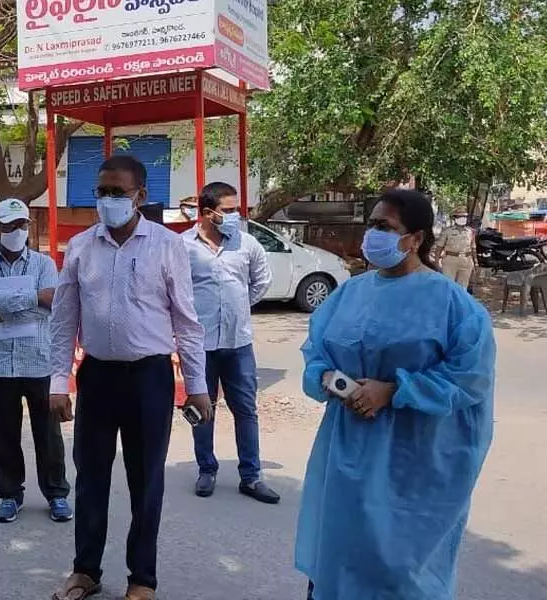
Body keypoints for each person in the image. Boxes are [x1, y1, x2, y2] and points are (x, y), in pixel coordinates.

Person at [297, 189, 495, 600]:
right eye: (371, 224)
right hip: (346, 448)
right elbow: (316, 347)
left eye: (384, 227)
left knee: (397, 564)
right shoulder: (350, 292)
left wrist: (395, 390)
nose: (372, 235)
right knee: (341, 547)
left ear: (415, 238)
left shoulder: (454, 305)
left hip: (413, 460)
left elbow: (470, 377)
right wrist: (328, 376)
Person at [49, 156, 214, 600]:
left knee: (146, 481)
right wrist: (57, 382)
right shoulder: (81, 246)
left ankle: (142, 579)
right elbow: (64, 319)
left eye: (118, 192)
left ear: (141, 196)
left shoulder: (167, 245)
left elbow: (186, 320)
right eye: (102, 191)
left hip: (149, 379)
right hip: (98, 377)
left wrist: (197, 386)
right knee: (90, 478)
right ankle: (85, 571)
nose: (108, 200)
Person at [0, 198, 71, 524]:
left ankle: (56, 494)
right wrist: (32, 297)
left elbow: (54, 302)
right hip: (0, 363)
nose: (17, 231)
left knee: (48, 435)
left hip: (38, 360)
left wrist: (10, 303)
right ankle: (9, 494)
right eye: (9, 226)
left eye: (22, 225)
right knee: (3, 434)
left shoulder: (44, 265)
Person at [182, 182, 280, 504]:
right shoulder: (184, 246)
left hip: (238, 345)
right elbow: (176, 292)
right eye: (228, 210)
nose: (235, 215)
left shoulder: (247, 244)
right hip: (200, 345)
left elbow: (261, 282)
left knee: (245, 410)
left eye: (237, 209)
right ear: (208, 213)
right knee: (201, 408)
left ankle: (251, 477)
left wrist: (236, 309)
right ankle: (206, 470)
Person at [435, 208, 477, 288]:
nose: (463, 219)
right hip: (450, 261)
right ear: (455, 218)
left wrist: (475, 262)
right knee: (448, 286)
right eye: (460, 217)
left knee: (462, 288)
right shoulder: (447, 231)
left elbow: (473, 247)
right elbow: (439, 247)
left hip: (466, 261)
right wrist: (437, 262)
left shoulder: (470, 232)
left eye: (464, 217)